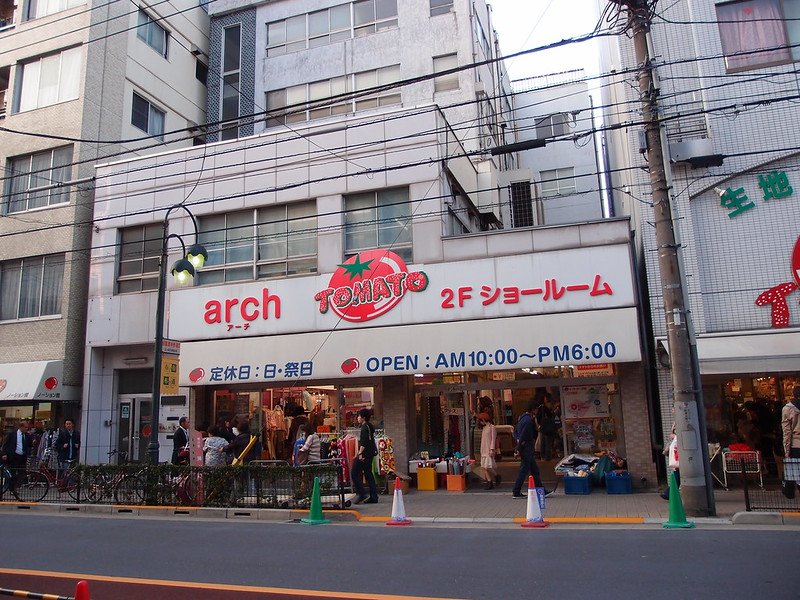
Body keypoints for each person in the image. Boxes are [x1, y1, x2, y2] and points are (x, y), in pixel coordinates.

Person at [512, 400, 550, 498]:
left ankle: (541, 490)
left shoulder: (522, 418)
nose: (538, 411)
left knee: (534, 470)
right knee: (524, 470)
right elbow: (523, 436)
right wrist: (518, 449)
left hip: (525, 448)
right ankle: (516, 491)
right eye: (537, 409)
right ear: (533, 409)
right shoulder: (528, 420)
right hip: (526, 448)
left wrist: (518, 442)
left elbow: (515, 432)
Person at [351, 408, 378, 504]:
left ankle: (362, 494)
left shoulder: (364, 428)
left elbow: (364, 442)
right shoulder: (370, 426)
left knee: (354, 473)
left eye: (359, 416)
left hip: (364, 454)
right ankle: (373, 496)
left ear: (363, 418)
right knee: (368, 474)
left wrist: (359, 453)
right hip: (370, 453)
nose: (357, 418)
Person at [1, 421, 32, 492]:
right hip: (14, 456)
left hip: (22, 456)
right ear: (21, 427)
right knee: (13, 473)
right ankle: (12, 488)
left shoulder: (27, 435)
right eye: (25, 427)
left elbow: (30, 444)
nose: (27, 429)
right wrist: (4, 454)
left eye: (27, 427)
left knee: (22, 473)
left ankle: (16, 486)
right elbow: (5, 444)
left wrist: (33, 442)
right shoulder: (12, 434)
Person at [477, 412, 499, 490]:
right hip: (484, 449)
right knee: (484, 467)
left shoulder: (492, 427)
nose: (480, 422)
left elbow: (493, 439)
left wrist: (492, 449)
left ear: (483, 419)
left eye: (480, 420)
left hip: (489, 449)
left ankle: (494, 478)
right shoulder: (484, 428)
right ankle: (491, 481)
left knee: (487, 467)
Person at [782, 386, 800, 460]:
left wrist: (787, 452)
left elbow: (787, 432)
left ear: (793, 394)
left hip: (796, 445)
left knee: (797, 470)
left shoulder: (787, 409)